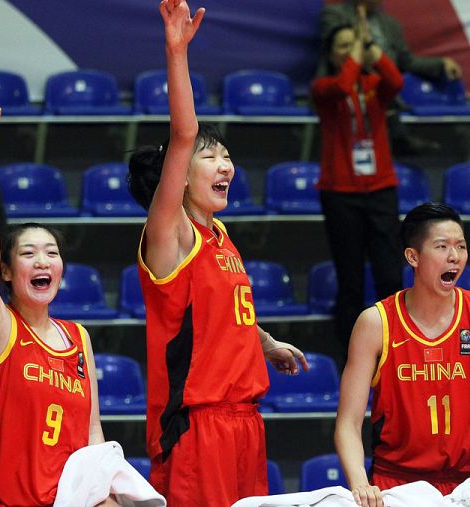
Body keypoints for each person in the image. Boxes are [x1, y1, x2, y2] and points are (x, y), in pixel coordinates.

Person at [126, 2, 308, 505]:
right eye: (210, 157)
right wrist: (177, 52)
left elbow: (220, 319)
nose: (225, 164)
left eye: (227, 156)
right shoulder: (169, 234)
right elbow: (183, 134)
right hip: (196, 427)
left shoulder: (221, 236)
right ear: (178, 176)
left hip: (246, 421)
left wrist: (264, 343)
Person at [0, 96, 114, 507]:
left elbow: (92, 432)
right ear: (6, 272)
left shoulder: (78, 338)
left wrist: (103, 494)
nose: (42, 260)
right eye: (28, 253)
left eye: (51, 252)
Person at [334, 203, 470, 506]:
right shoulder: (376, 323)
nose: (454, 256)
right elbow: (348, 423)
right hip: (395, 483)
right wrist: (361, 485)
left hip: (466, 482)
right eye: (442, 246)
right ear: (413, 256)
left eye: (461, 246)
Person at [312, 18, 404, 353]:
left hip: (380, 189)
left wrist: (374, 51)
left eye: (355, 44)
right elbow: (342, 86)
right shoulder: (323, 87)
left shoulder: (374, 84)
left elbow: (396, 81)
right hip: (340, 193)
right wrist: (356, 53)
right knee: (349, 279)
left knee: (390, 275)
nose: (352, 51)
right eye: (343, 46)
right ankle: (350, 353)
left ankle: (393, 345)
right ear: (333, 54)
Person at [317, 0, 461, 156]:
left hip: (381, 86)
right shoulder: (334, 13)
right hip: (344, 86)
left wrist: (440, 64)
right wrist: (361, 33)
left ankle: (399, 138)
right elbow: (337, 48)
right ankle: (400, 136)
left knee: (385, 88)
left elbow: (406, 61)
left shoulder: (390, 23)